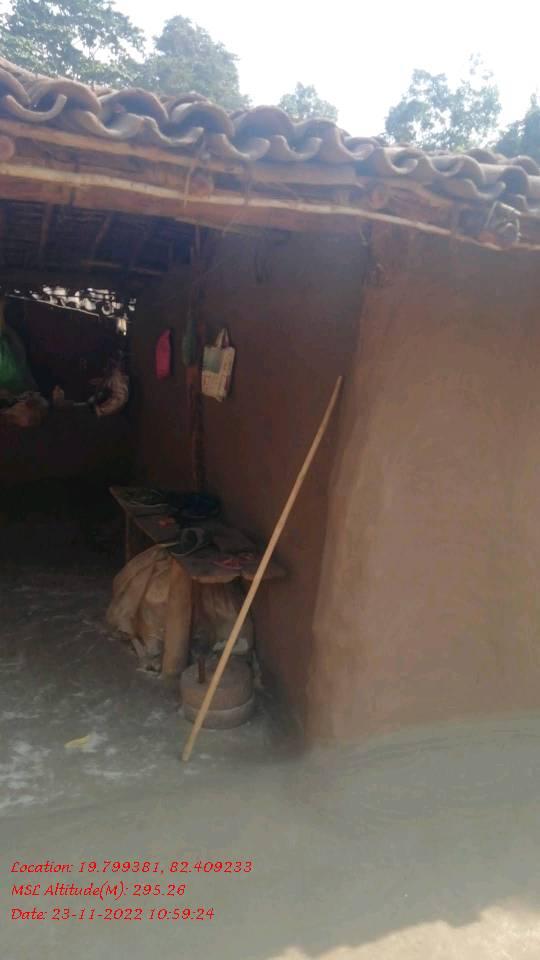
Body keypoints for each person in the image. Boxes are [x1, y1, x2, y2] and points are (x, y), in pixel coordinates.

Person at [88, 354, 129, 418]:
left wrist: (95, 405)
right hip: (102, 403)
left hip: (106, 413)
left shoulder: (117, 383)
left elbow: (101, 411)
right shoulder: (113, 376)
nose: (104, 369)